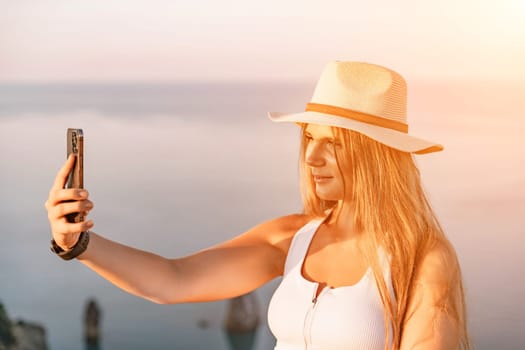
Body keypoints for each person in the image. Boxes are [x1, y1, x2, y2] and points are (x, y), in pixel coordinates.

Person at [45, 61, 471, 349]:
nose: (311, 158)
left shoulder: (422, 258)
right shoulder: (293, 236)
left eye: (334, 144)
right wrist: (79, 242)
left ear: (376, 155)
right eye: (309, 138)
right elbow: (172, 280)